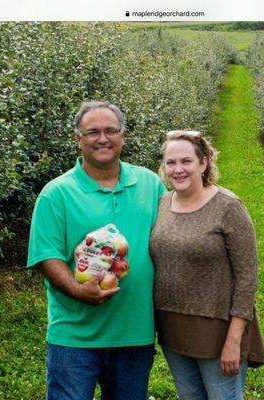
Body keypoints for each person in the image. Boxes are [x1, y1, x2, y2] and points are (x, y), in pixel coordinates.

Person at [27, 101, 167, 400]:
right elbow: (46, 255)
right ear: (79, 139)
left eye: (110, 130)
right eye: (92, 132)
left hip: (134, 334)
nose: (103, 138)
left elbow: (175, 236)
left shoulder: (149, 184)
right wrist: (77, 291)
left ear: (123, 136)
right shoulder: (57, 193)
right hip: (75, 338)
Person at [150, 130, 264, 400]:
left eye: (186, 161)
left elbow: (247, 278)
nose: (178, 169)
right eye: (171, 162)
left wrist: (233, 340)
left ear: (203, 163)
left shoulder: (228, 207)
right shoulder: (162, 204)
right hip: (173, 329)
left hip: (217, 332)